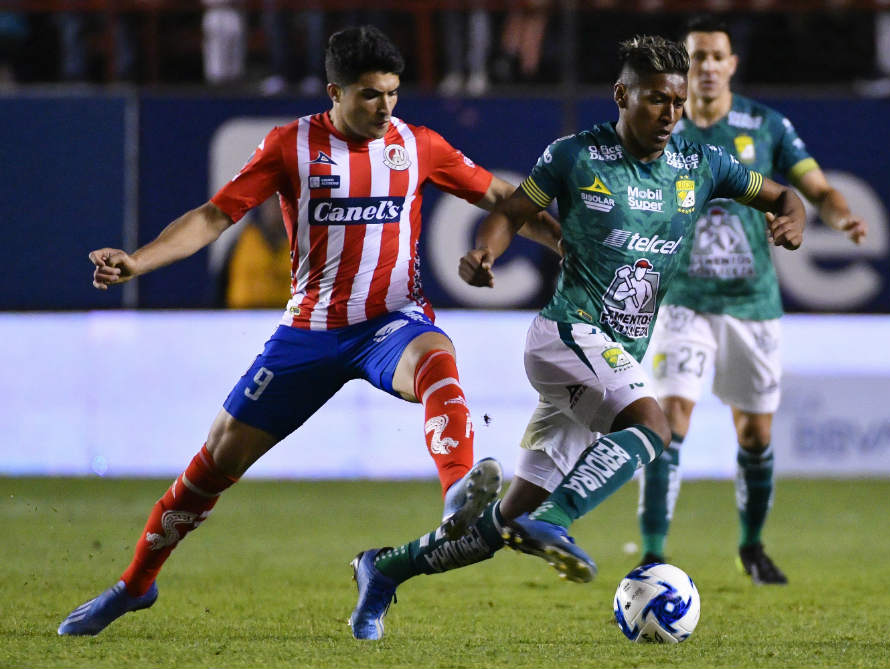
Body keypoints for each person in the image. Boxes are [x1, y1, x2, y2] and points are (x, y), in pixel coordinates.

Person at [57, 25, 559, 637]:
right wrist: (139, 260)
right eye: (370, 95)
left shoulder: (417, 146)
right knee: (213, 463)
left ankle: (459, 494)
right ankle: (136, 584)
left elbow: (503, 195)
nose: (385, 108)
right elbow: (216, 215)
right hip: (310, 333)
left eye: (393, 94)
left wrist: (567, 244)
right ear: (335, 91)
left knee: (436, 359)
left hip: (390, 322)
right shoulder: (290, 145)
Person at [347, 33, 807, 641]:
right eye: (653, 101)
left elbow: (779, 193)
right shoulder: (577, 156)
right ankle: (559, 521)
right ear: (621, 94)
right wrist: (484, 251)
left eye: (675, 102)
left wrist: (792, 215)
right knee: (655, 426)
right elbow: (512, 211)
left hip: (608, 363)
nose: (668, 115)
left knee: (502, 524)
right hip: (565, 335)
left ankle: (383, 570)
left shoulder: (702, 165)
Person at [631, 16, 868, 585]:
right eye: (698, 58)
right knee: (669, 421)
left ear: (732, 65)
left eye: (717, 56)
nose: (708, 67)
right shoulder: (661, 125)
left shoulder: (766, 125)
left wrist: (842, 217)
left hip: (752, 302)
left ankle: (753, 547)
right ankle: (653, 552)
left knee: (755, 434)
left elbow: (814, 188)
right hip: (682, 299)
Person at [224, 195, 291, 308]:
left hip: (285, 314)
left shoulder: (300, 243)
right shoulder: (243, 240)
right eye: (271, 204)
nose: (274, 209)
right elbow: (222, 282)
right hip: (242, 315)